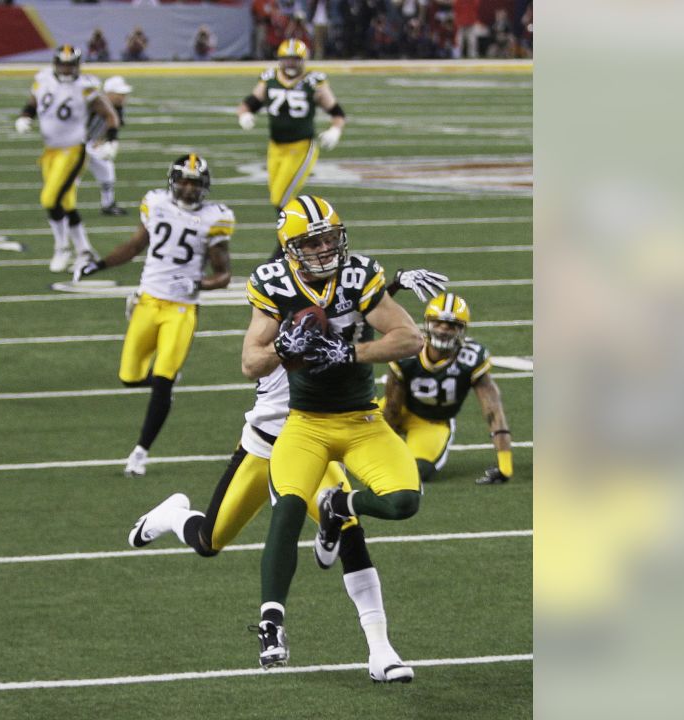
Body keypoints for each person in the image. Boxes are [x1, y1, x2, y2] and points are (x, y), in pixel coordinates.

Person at [125, 266, 445, 681]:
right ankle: (173, 515)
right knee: (210, 540)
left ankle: (380, 650)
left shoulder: (327, 310)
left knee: (350, 535)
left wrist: (394, 284)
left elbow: (355, 309)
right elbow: (253, 360)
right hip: (267, 442)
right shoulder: (277, 326)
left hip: (321, 439)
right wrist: (284, 344)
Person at [241, 195, 425, 668]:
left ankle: (340, 504)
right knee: (286, 508)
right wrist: (284, 348)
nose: (325, 249)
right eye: (313, 241)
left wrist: (349, 353)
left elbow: (409, 337)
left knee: (405, 502)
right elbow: (250, 362)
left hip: (362, 420)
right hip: (304, 424)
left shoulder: (358, 276)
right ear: (289, 248)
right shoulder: (274, 285)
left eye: (329, 238)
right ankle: (271, 623)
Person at [74, 155, 234, 477]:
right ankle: (166, 383)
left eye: (194, 182)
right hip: (147, 301)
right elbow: (135, 246)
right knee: (129, 377)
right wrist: (100, 264)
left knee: (162, 381)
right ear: (173, 181)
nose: (188, 188)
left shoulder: (214, 219)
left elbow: (224, 275)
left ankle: (140, 452)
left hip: (181, 309)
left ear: (204, 187)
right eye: (184, 181)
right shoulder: (156, 203)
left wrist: (197, 283)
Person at [382, 292, 515, 484]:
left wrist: (505, 465)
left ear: (462, 330)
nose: (443, 330)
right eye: (438, 323)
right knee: (347, 433)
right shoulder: (408, 351)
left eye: (452, 325)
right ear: (427, 323)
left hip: (432, 422)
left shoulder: (471, 359)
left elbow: (493, 410)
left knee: (417, 472)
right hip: (395, 409)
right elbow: (392, 409)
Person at [14, 45, 119, 273]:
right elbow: (33, 102)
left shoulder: (85, 86)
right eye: (63, 63)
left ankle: (62, 247)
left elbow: (109, 114)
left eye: (71, 64)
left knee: (50, 199)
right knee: (67, 203)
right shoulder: (43, 78)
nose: (66, 68)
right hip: (50, 151)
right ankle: (85, 251)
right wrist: (24, 116)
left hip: (72, 151)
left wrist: (112, 140)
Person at [236, 40, 346, 216]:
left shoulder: (313, 82)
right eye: (287, 59)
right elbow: (249, 103)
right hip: (275, 147)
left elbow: (337, 111)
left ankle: (288, 240)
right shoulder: (269, 78)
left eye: (295, 59)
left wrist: (336, 130)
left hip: (301, 147)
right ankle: (296, 235)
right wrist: (244, 114)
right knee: (277, 197)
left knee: (281, 198)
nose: (291, 63)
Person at [85, 76, 132, 216]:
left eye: (124, 94)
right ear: (108, 93)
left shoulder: (118, 108)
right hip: (76, 144)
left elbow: (111, 127)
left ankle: (108, 204)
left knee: (107, 170)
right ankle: (62, 205)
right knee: (73, 177)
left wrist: (103, 142)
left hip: (92, 144)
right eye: (120, 94)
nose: (122, 97)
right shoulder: (93, 103)